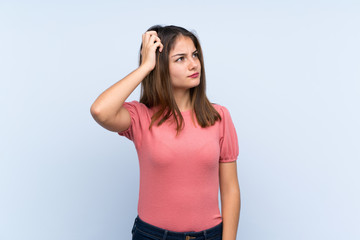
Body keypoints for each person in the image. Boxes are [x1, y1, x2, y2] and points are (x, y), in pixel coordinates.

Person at [90, 25, 240, 240]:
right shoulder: (140, 117)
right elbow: (100, 111)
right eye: (180, 58)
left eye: (195, 55)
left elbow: (230, 189)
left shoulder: (219, 116)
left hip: (211, 236)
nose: (193, 64)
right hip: (152, 235)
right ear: (160, 67)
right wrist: (145, 66)